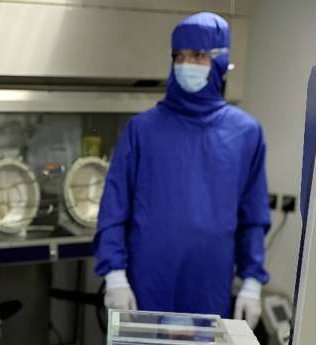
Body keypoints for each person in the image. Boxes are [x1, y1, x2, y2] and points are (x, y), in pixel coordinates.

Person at [94, 12, 270, 328]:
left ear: (220, 61)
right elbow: (113, 209)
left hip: (208, 287)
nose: (187, 64)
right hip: (145, 286)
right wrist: (115, 277)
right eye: (180, 56)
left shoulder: (245, 133)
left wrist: (251, 282)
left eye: (198, 56)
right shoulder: (142, 130)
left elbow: (253, 216)